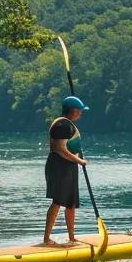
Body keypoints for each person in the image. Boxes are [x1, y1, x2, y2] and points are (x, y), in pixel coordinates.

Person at [44, 96, 89, 247]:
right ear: (73, 111)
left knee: (70, 203)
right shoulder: (62, 124)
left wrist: (78, 156)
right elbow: (60, 149)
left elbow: (70, 145)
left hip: (68, 167)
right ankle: (47, 239)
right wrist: (79, 161)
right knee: (57, 201)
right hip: (60, 166)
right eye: (80, 111)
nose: (81, 114)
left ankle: (72, 237)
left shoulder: (67, 124)